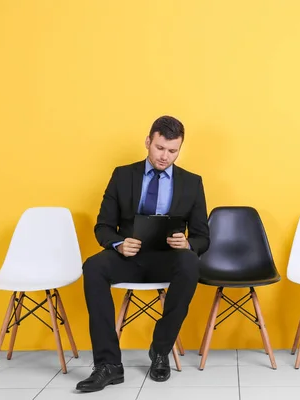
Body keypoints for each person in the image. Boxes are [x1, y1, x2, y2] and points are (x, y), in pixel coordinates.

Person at [76, 115, 210, 392]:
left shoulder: (192, 182)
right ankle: (108, 365)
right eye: (160, 148)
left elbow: (202, 237)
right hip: (129, 257)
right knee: (93, 266)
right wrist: (118, 244)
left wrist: (188, 244)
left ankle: (160, 350)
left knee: (190, 263)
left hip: (168, 259)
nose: (165, 156)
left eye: (172, 151)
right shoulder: (123, 175)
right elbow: (102, 226)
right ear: (148, 141)